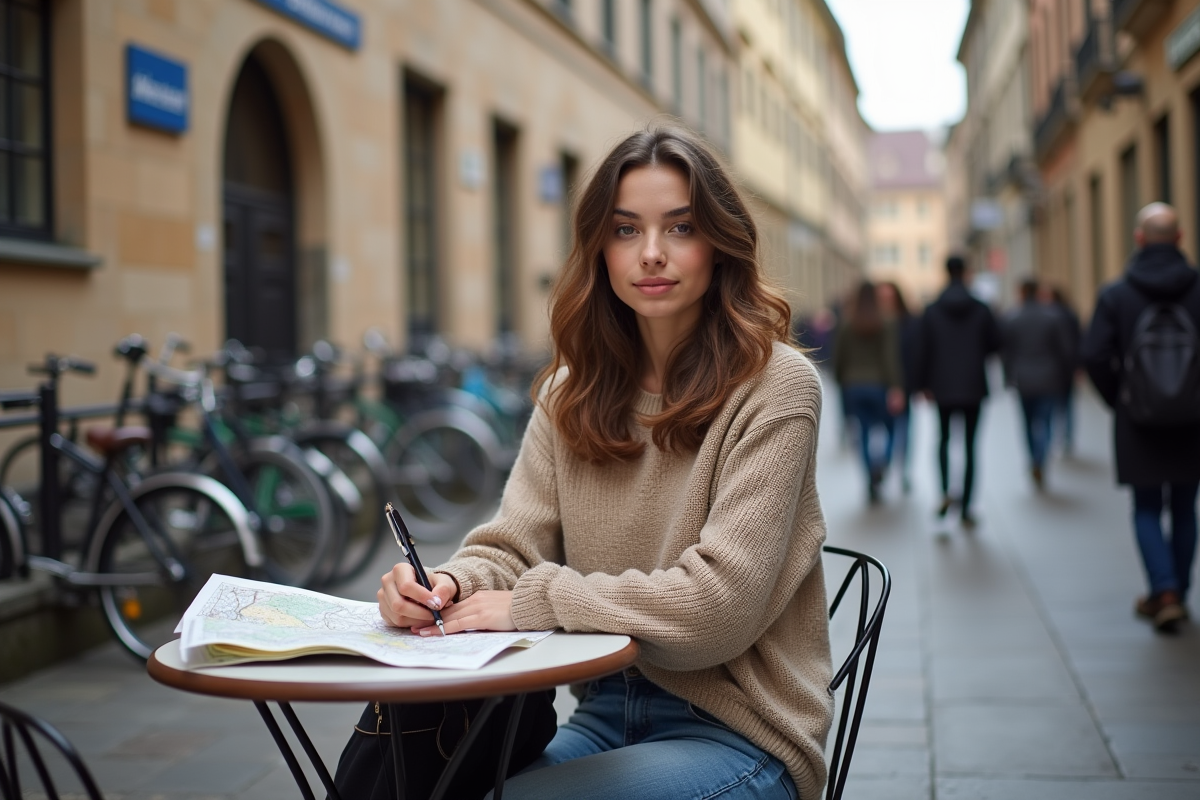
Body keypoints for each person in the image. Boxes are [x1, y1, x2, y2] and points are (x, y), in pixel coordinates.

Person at [378, 126, 832, 799]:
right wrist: (448, 584)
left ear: (719, 243)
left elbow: (715, 610)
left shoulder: (778, 388)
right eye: (626, 231)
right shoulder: (572, 391)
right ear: (599, 248)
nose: (651, 254)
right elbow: (513, 547)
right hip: (601, 717)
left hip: (740, 730)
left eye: (680, 228)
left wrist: (534, 603)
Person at [1081, 202, 1200, 633]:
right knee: (1186, 506)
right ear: (1180, 238)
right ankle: (1177, 592)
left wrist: (1122, 400)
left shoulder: (1116, 294)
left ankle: (1163, 590)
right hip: (1193, 419)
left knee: (1147, 506)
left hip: (1139, 421)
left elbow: (1094, 354)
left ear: (1139, 239)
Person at [914, 255, 1001, 529]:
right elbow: (994, 344)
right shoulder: (981, 308)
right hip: (973, 384)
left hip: (941, 385)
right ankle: (966, 507)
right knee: (971, 446)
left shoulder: (932, 309)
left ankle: (943, 493)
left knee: (942, 439)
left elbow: (922, 350)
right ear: (966, 272)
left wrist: (923, 384)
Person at [833, 281, 904, 503]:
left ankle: (869, 481)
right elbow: (889, 357)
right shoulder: (886, 322)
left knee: (862, 433)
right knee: (893, 428)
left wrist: (841, 382)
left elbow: (839, 358)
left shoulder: (847, 323)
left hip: (853, 387)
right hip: (879, 385)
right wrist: (896, 387)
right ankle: (881, 462)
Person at [1000, 278, 1074, 490]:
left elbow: (1007, 353)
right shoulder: (1053, 316)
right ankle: (1041, 458)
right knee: (1046, 421)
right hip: (1049, 377)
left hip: (1023, 379)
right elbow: (1065, 350)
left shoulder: (1013, 318)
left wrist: (1008, 377)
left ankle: (1034, 457)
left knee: (1027, 422)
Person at [876, 281, 920, 493]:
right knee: (884, 430)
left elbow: (916, 353)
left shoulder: (908, 322)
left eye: (889, 297)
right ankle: (883, 464)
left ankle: (903, 472)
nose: (886, 302)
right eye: (882, 298)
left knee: (903, 429)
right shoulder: (872, 321)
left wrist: (908, 385)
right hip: (878, 385)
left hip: (904, 384)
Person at [1048, 285, 1083, 455]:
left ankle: (1059, 438)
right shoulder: (1070, 314)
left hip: (1054, 368)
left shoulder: (1049, 316)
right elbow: (1079, 339)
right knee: (1067, 404)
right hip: (1066, 367)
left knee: (1056, 404)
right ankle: (1067, 438)